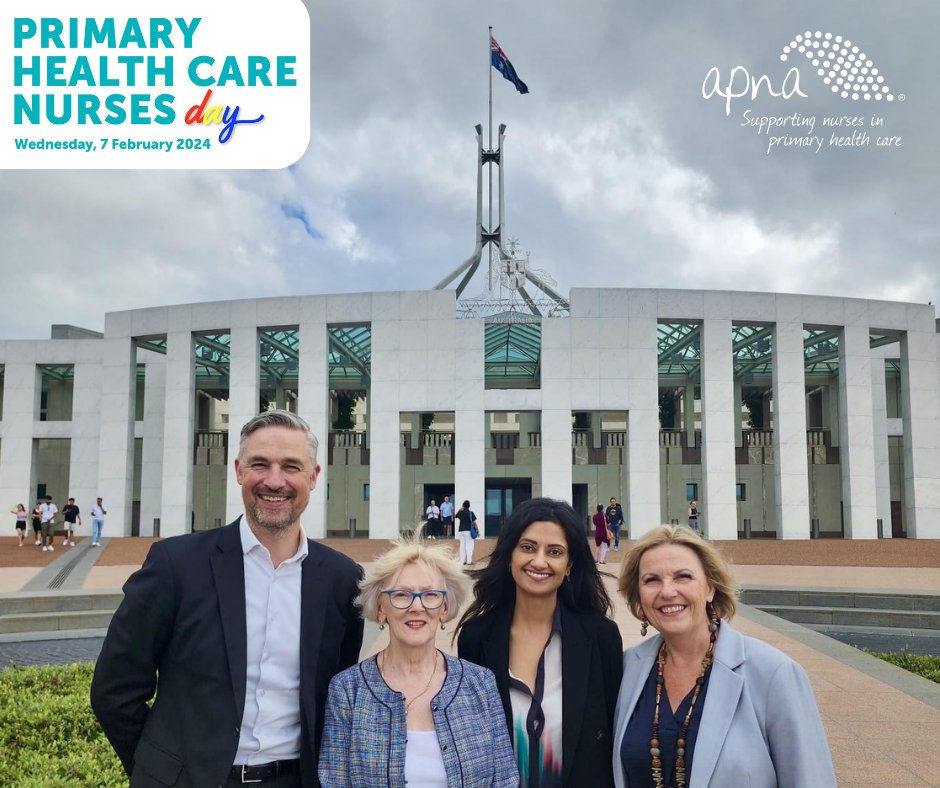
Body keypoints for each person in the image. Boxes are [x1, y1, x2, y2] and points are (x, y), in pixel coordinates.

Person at [91, 410, 364, 788]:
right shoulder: (176, 564)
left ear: (314, 477)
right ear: (238, 470)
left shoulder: (342, 579)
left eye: (291, 467)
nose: (274, 481)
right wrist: (157, 769)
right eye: (260, 464)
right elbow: (115, 689)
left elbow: (334, 693)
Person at [613, 524, 836, 788]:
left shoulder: (774, 674)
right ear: (638, 594)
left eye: (683, 576)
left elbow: (810, 780)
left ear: (710, 588)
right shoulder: (626, 669)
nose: (667, 591)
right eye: (651, 580)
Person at [319, 539, 517, 787]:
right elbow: (334, 781)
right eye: (401, 594)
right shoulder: (348, 690)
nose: (417, 606)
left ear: (444, 608)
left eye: (430, 595)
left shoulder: (480, 683)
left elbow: (505, 779)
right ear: (381, 608)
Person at [457, 497, 623, 787]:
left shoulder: (600, 637)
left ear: (570, 565)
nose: (539, 561)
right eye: (528, 547)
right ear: (510, 555)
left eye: (555, 552)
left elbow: (612, 733)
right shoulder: (476, 637)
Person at [455, 499, 477, 565]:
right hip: (468, 531)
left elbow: (455, 516)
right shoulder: (471, 513)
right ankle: (469, 561)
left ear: (463, 505)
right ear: (469, 506)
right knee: (469, 546)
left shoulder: (460, 512)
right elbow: (474, 522)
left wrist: (460, 509)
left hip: (461, 531)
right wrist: (477, 530)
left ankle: (462, 561)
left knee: (462, 546)